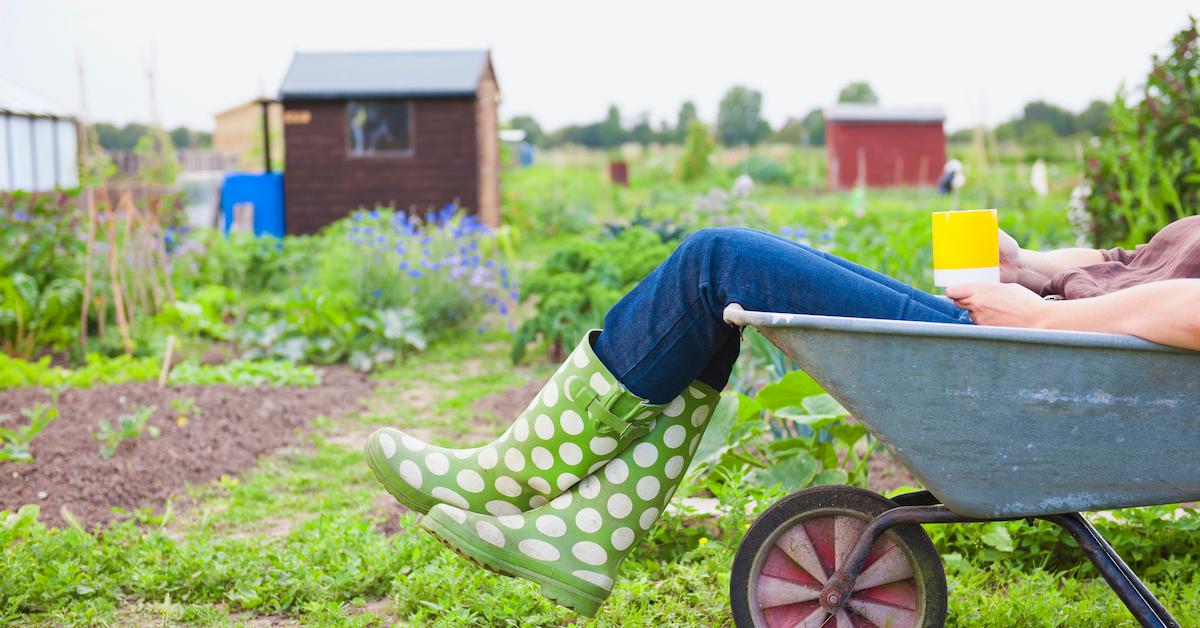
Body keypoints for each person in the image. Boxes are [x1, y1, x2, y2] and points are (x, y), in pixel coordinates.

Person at [365, 217, 1200, 616]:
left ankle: (523, 477)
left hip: (1043, 360)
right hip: (1045, 346)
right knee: (719, 276)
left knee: (716, 262)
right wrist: (1029, 266)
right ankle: (587, 530)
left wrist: (1039, 316)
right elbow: (1133, 266)